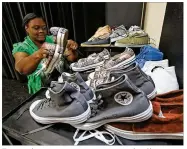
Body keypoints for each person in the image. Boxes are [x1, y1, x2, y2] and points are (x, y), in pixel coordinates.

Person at [12, 13, 78, 94]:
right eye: (36, 28)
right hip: (44, 89)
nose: (41, 31)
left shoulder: (52, 39)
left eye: (44, 28)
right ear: (26, 28)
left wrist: (71, 48)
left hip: (64, 80)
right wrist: (38, 54)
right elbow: (21, 69)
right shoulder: (22, 47)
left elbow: (72, 58)